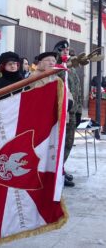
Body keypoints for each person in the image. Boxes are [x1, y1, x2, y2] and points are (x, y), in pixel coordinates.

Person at [54, 40, 83, 187]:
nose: (66, 52)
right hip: (61, 112)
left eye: (67, 50)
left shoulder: (70, 68)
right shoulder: (57, 68)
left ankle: (61, 169)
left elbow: (77, 91)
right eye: (62, 50)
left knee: (69, 143)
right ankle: (57, 173)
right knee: (61, 143)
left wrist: (78, 112)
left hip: (72, 112)